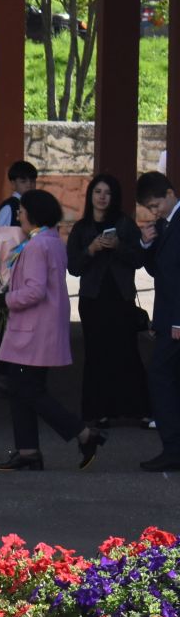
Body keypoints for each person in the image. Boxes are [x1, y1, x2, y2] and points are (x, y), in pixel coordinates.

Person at [0, 191, 103, 471]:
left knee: (26, 389)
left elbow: (34, 291)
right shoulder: (50, 240)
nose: (19, 215)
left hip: (32, 330)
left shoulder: (36, 245)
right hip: (41, 328)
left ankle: (83, 433)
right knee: (23, 389)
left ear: (33, 214)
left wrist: (1, 300)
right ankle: (28, 450)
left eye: (22, 211)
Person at [68, 173, 151, 431]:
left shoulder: (125, 224)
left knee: (127, 352)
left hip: (120, 298)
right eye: (98, 192)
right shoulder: (82, 228)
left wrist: (118, 246)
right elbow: (73, 267)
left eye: (108, 193)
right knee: (96, 354)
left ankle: (140, 410)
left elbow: (139, 259)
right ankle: (98, 411)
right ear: (91, 195)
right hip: (93, 299)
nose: (102, 197)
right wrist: (91, 249)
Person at [134, 172, 180, 472]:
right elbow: (159, 271)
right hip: (168, 316)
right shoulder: (166, 225)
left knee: (160, 378)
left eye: (156, 204)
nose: (155, 211)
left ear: (169, 193)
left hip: (176, 319)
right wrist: (147, 244)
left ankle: (173, 447)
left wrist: (177, 320)